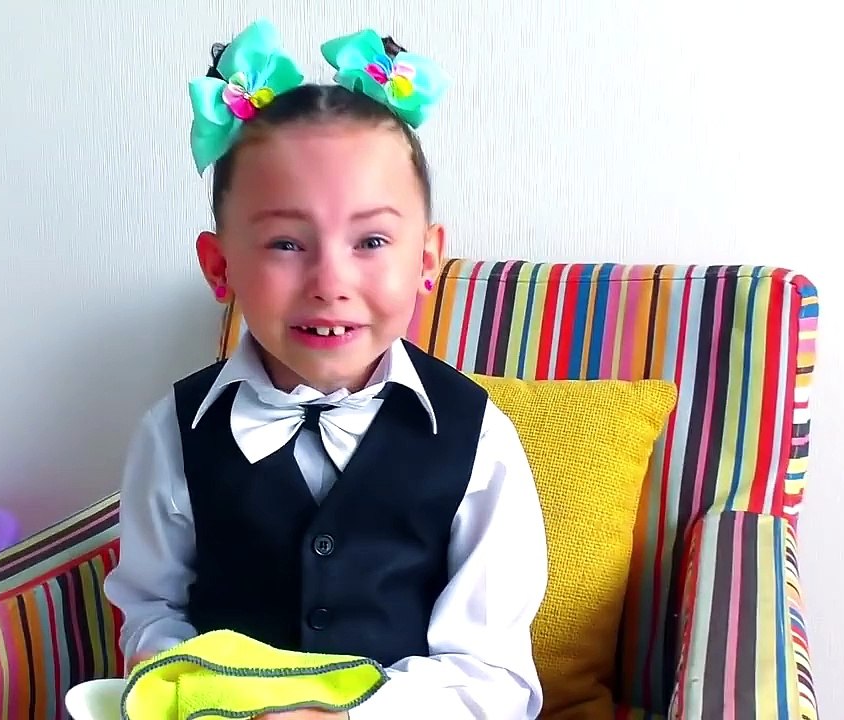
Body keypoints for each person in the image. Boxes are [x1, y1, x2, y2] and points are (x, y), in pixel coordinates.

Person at [103, 18, 548, 720]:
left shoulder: (479, 440)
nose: (330, 282)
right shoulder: (173, 433)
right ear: (219, 266)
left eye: (371, 240)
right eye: (286, 243)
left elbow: (492, 672)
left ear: (426, 259)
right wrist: (201, 692)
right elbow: (151, 612)